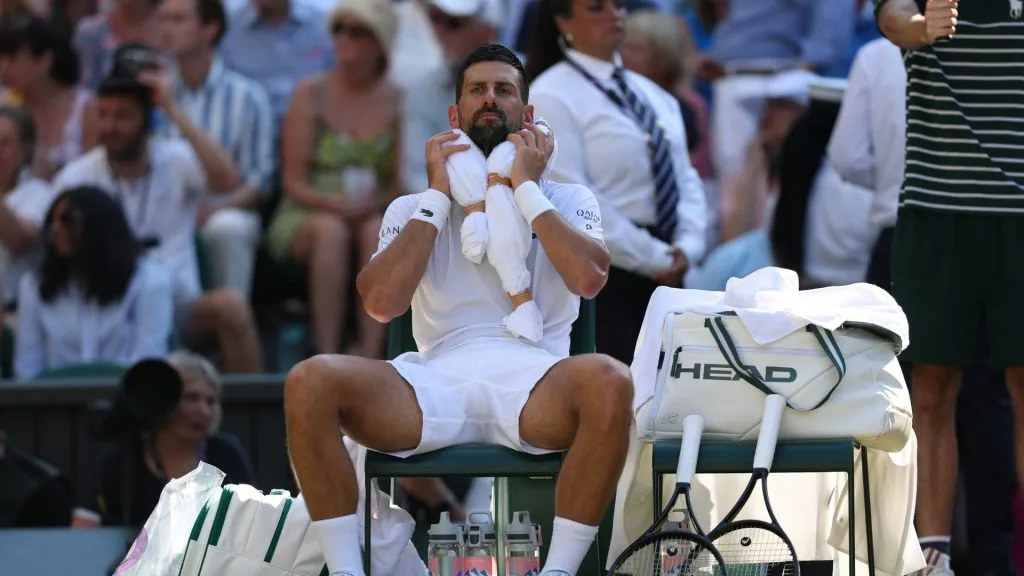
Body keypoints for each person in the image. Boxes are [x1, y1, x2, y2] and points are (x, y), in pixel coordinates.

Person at [284, 44, 631, 576]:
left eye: (504, 90)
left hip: (536, 378)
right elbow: (381, 304)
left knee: (612, 380)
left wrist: (526, 189)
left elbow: (588, 281)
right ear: (454, 114)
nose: (490, 99)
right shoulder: (412, 206)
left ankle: (559, 572)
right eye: (477, 90)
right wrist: (437, 197)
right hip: (435, 380)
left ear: (528, 115)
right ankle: (347, 572)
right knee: (309, 381)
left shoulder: (569, 198)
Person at [873, 1, 1024, 574]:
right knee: (931, 387)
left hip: (1019, 219)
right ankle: (932, 557)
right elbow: (893, 18)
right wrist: (920, 28)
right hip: (936, 215)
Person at [52, 43, 265, 374]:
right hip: (107, 309)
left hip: (177, 303)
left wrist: (172, 109)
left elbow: (227, 180)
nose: (110, 126)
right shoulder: (76, 177)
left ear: (148, 121)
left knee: (232, 308)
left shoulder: (176, 157)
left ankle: (249, 409)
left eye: (123, 116)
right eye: (104, 115)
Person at [525, 0, 707, 365]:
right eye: (597, 8)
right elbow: (575, 196)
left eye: (618, 5)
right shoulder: (550, 94)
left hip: (670, 265)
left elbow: (686, 177)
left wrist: (689, 245)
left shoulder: (654, 95)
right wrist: (654, 258)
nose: (615, 15)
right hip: (605, 274)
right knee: (619, 384)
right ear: (563, 22)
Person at [268, 0, 400, 358]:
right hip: (309, 205)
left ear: (379, 43)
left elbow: (397, 181)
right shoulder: (310, 92)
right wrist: (334, 204)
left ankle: (370, 354)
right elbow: (292, 181)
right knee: (331, 232)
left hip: (372, 206)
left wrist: (374, 203)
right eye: (339, 29)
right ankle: (328, 354)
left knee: (377, 230)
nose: (343, 38)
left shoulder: (398, 99)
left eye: (356, 31)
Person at [157, 0, 275, 296]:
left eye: (178, 19)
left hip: (227, 207)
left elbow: (259, 182)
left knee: (227, 228)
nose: (167, 29)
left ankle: (230, 317)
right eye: (164, 19)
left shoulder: (248, 97)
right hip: (164, 207)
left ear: (210, 29)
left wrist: (215, 209)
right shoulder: (153, 92)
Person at [72, 352, 255, 527]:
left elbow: (251, 522)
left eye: (210, 401)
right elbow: (83, 525)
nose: (204, 411)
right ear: (161, 399)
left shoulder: (226, 455)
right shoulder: (125, 459)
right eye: (191, 398)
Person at [14, 185, 173, 379]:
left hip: (126, 396)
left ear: (98, 225)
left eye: (66, 220)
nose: (55, 229)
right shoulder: (33, 285)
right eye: (51, 221)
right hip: (56, 397)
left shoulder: (149, 280)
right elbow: (28, 367)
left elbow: (149, 362)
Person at [0, 14, 96, 180]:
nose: (4, 68)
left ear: (45, 61)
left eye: (13, 59)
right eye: (2, 59)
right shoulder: (3, 106)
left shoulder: (87, 108)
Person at [0, 107, 55, 316]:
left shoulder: (38, 192)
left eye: (5, 143)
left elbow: (19, 239)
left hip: (15, 313)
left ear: (25, 150)